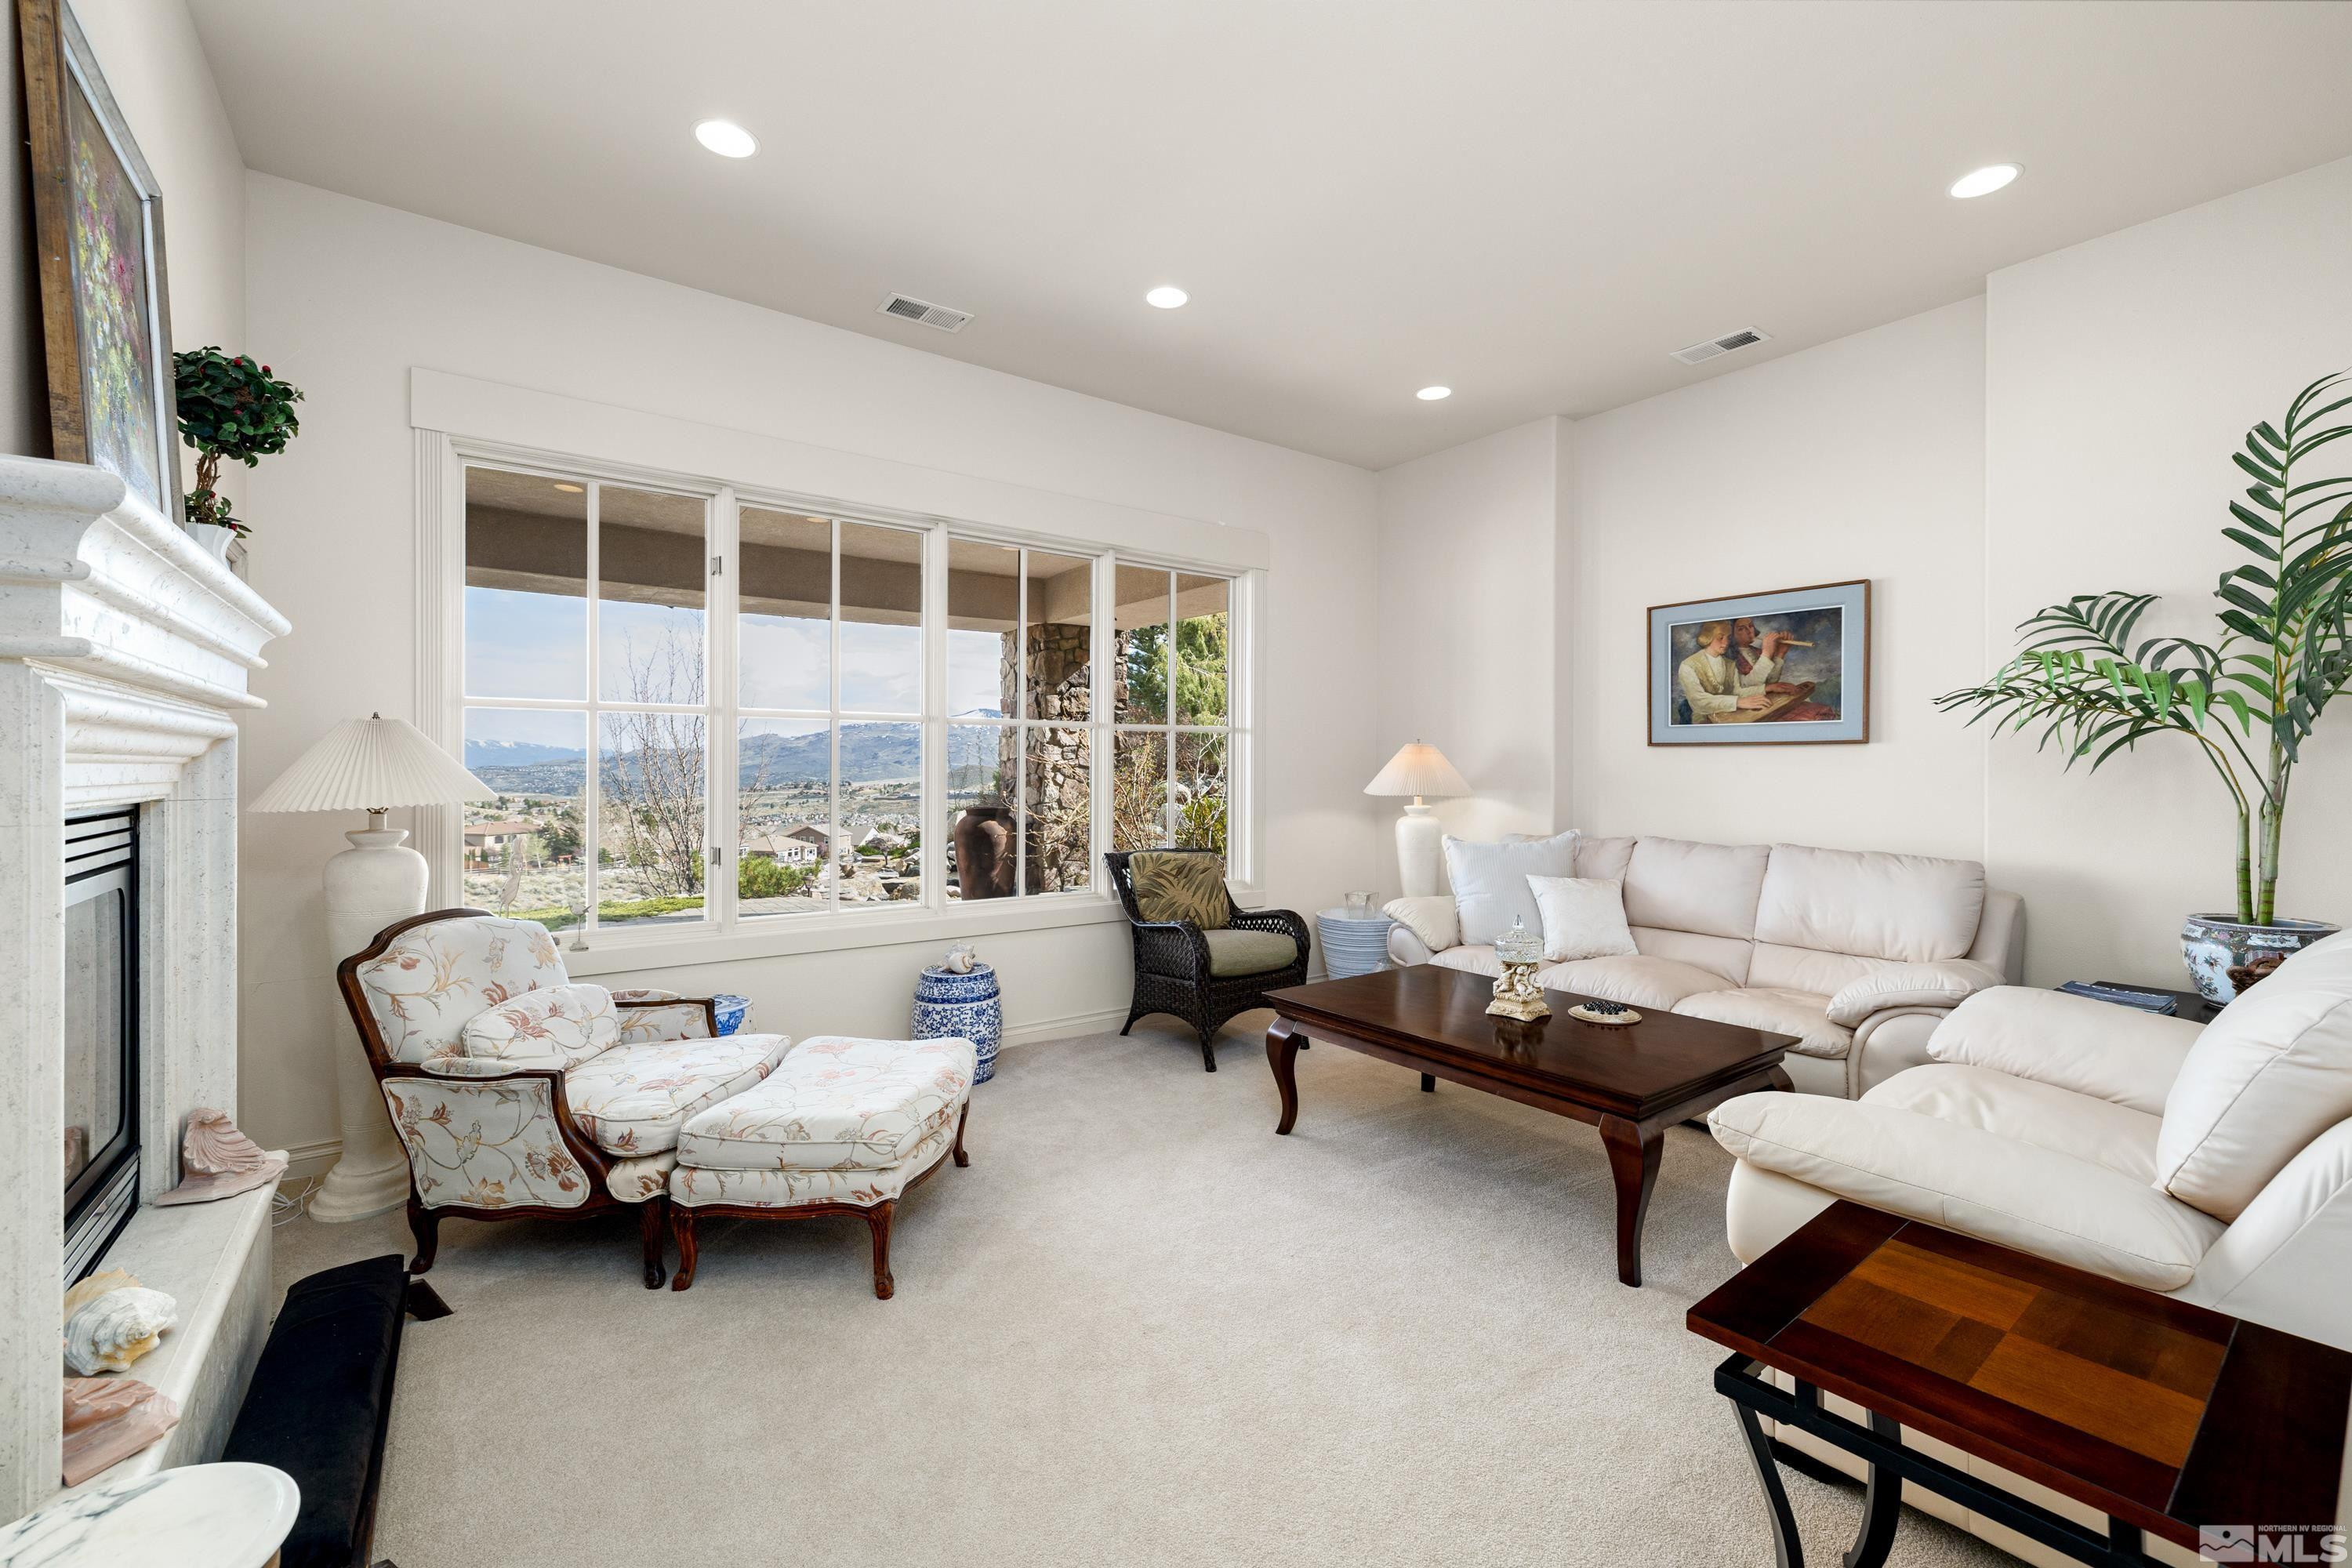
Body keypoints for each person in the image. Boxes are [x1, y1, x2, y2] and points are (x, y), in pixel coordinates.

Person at [1675, 622, 1774, 721]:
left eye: (1728, 638)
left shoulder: (1730, 664)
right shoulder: (1689, 665)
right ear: (1707, 638)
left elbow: (1737, 692)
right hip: (1704, 721)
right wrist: (1738, 702)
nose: (1726, 642)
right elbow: (1698, 701)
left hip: (1729, 716)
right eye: (1720, 638)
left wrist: (1766, 688)